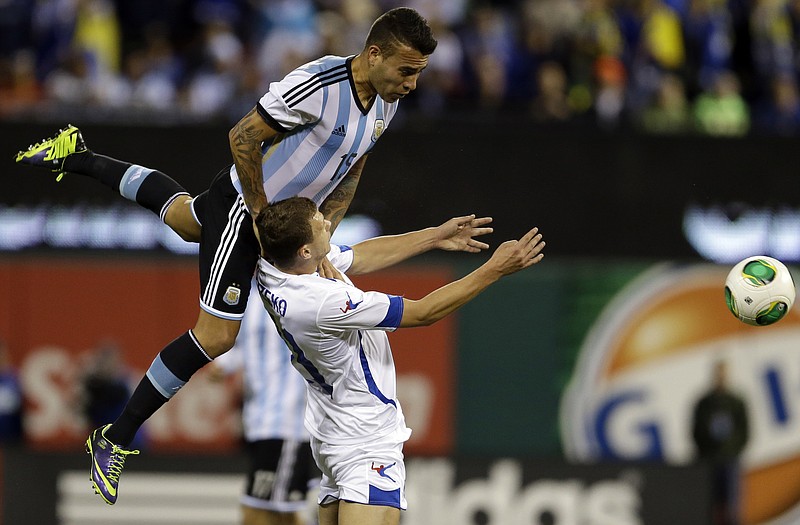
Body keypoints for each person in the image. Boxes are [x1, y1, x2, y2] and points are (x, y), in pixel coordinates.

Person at [14, 7, 438, 505]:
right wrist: (258, 215)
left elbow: (352, 165)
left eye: (418, 74)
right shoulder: (322, 84)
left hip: (277, 224)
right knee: (217, 336)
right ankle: (115, 438)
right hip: (246, 213)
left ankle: (78, 155)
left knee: (186, 219)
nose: (411, 84)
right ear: (374, 54)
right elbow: (242, 136)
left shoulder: (383, 104)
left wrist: (325, 238)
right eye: (406, 71)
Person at [253, 196, 545, 525]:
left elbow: (361, 256)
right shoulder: (323, 302)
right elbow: (423, 312)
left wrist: (435, 236)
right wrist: (494, 269)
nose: (328, 224)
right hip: (366, 440)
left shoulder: (275, 265)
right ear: (305, 251)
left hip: (331, 432)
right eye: (320, 224)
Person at [210, 279, 320, 525]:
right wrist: (222, 365)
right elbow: (242, 345)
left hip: (286, 422)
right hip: (258, 420)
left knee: (256, 513)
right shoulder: (245, 295)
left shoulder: (300, 292)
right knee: (282, 513)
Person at [691, 359, 750, 525]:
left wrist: (732, 450)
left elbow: (745, 431)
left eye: (723, 373)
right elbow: (696, 431)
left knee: (732, 506)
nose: (720, 377)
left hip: (730, 460)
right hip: (709, 461)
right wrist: (706, 453)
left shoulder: (736, 402)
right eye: (718, 373)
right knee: (709, 506)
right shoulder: (704, 403)